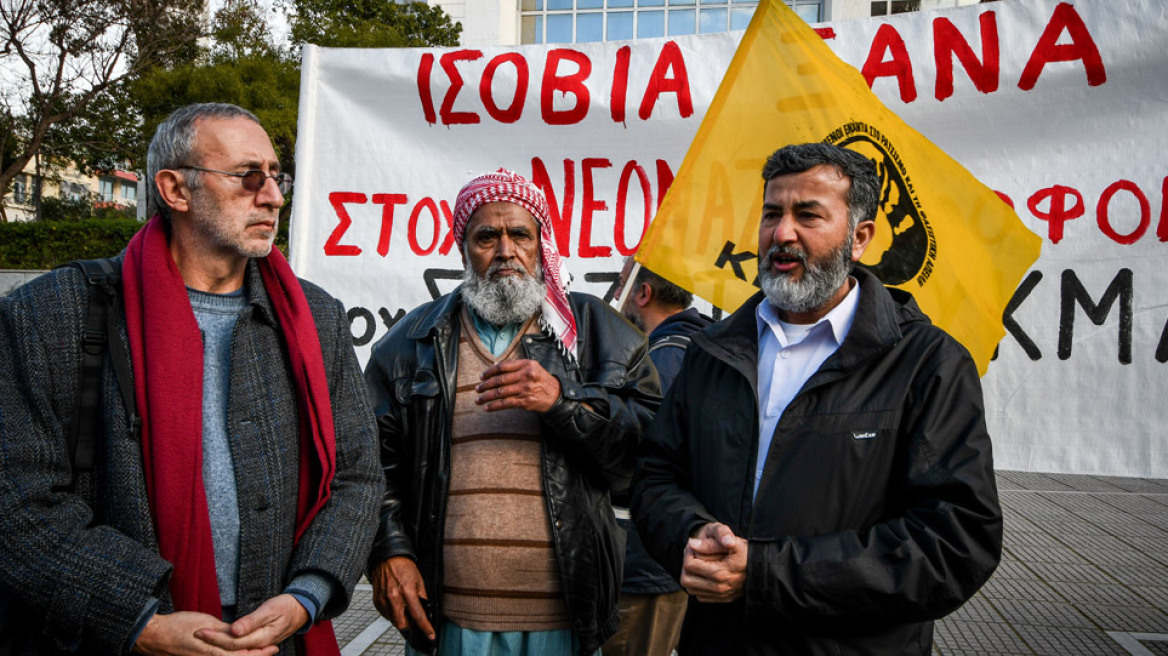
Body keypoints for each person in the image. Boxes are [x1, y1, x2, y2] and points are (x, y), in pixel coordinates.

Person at [0, 103, 382, 655]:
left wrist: (308, 594)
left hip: (281, 638)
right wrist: (140, 621)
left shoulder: (316, 318)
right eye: (247, 176)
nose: (273, 196)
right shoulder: (53, 313)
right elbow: (18, 502)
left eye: (276, 176)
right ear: (175, 190)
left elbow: (356, 475)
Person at [630, 143, 1002, 654]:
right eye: (771, 214)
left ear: (860, 238)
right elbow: (656, 476)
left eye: (808, 215)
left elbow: (956, 542)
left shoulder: (926, 364)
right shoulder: (713, 351)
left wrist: (764, 574)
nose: (782, 233)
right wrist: (693, 537)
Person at [364, 169, 661, 656]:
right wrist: (388, 550)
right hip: (449, 620)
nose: (505, 251)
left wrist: (562, 404)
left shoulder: (598, 332)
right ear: (464, 250)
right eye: (487, 237)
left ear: (542, 244)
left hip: (566, 621)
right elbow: (371, 465)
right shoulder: (411, 343)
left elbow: (645, 457)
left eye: (520, 235)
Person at [602, 260, 712, 656]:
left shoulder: (662, 362)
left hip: (645, 564)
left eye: (621, 285)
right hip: (667, 556)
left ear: (643, 293)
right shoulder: (699, 347)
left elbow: (635, 455)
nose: (617, 296)